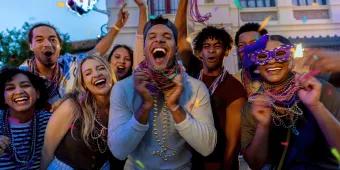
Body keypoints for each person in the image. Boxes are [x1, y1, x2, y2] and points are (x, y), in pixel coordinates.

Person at [108, 16, 217, 169]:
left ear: (176, 48)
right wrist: (145, 106)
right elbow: (118, 151)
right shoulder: (123, 89)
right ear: (144, 48)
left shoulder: (196, 88)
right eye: (152, 37)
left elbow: (207, 147)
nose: (159, 40)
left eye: (167, 37)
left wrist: (174, 107)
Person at [241, 34, 340, 169]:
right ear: (256, 64)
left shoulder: (320, 90)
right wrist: (262, 126)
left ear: (291, 59)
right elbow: (255, 164)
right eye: (263, 56)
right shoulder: (254, 106)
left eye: (280, 53)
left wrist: (316, 106)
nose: (271, 61)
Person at [20, 4, 129, 104]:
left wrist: (117, 26)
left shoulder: (69, 63)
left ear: (60, 45)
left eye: (52, 39)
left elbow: (96, 52)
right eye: (39, 40)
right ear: (31, 46)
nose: (47, 44)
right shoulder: (22, 75)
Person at [41, 56, 124, 169]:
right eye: (88, 73)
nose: (96, 74)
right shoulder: (72, 106)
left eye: (101, 68)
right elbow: (47, 150)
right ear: (84, 83)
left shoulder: (120, 106)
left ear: (110, 73)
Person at [191, 26, 247, 170]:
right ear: (199, 52)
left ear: (226, 51)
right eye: (206, 46)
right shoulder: (191, 77)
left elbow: (233, 142)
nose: (211, 50)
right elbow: (180, 36)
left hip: (217, 163)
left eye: (217, 46)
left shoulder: (235, 88)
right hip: (187, 161)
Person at [0, 68, 51, 169]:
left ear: (37, 93)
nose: (19, 91)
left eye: (25, 85)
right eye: (10, 88)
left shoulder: (50, 121)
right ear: (3, 98)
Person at [233, 23, 268, 96]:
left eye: (253, 43)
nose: (248, 49)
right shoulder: (233, 81)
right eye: (241, 45)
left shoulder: (279, 75)